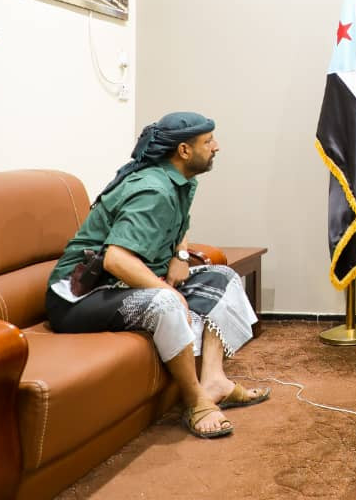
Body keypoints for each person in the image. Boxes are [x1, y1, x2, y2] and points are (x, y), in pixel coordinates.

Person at [45, 112, 268, 439]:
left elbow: (180, 223)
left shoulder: (180, 180)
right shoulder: (153, 190)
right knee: (166, 302)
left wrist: (180, 255)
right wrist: (170, 292)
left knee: (222, 276)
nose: (216, 147)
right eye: (208, 141)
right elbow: (116, 259)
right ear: (184, 150)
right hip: (78, 297)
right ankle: (196, 400)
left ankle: (214, 380)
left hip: (121, 284)